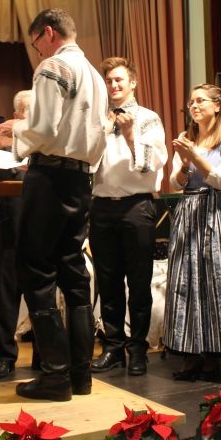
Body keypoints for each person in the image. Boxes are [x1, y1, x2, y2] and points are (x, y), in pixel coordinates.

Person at [10, 8, 107, 401]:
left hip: (50, 176)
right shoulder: (95, 76)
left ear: (48, 33)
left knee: (35, 270)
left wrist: (13, 132)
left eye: (37, 44)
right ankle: (80, 376)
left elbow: (42, 128)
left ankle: (54, 376)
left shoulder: (53, 66)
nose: (38, 52)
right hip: (81, 179)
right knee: (74, 275)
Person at [163, 84, 221, 381]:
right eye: (191, 102)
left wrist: (195, 157)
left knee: (215, 281)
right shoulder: (187, 137)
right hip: (189, 209)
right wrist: (184, 164)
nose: (194, 106)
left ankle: (214, 355)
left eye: (200, 101)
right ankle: (190, 352)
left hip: (215, 210)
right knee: (185, 281)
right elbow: (175, 183)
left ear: (217, 105)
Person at [89, 57, 167, 377]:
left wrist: (131, 134)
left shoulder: (148, 118)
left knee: (138, 281)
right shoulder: (98, 118)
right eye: (109, 80)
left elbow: (154, 162)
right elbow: (87, 160)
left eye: (119, 79)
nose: (114, 85)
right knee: (107, 282)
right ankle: (112, 347)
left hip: (136, 206)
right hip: (101, 206)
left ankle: (137, 350)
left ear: (133, 83)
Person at [0, 89, 36, 379]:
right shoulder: (3, 148)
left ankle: (44, 355)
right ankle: (4, 357)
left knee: (41, 298)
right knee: (7, 298)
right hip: (9, 232)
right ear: (17, 115)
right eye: (30, 111)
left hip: (39, 232)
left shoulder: (45, 145)